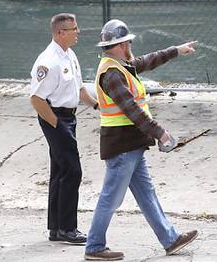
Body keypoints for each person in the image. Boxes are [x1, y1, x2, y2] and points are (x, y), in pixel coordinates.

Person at [84, 19, 199, 261]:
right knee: (111, 198)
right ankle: (94, 246)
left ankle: (170, 239)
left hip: (131, 144)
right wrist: (160, 132)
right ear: (121, 44)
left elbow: (149, 60)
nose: (130, 45)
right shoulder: (112, 73)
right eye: (127, 42)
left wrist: (176, 50)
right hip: (122, 145)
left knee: (147, 195)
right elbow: (132, 110)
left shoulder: (121, 65)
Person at [30, 13, 99, 245]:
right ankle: (68, 228)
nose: (78, 32)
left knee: (60, 171)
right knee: (73, 171)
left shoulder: (69, 55)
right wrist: (56, 124)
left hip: (69, 117)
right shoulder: (48, 61)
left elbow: (79, 89)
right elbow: (37, 99)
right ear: (61, 32)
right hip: (54, 117)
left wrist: (96, 105)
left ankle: (56, 228)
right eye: (74, 29)